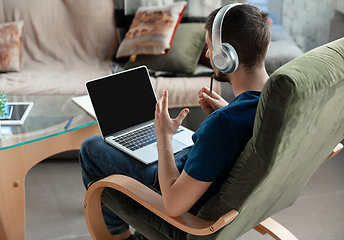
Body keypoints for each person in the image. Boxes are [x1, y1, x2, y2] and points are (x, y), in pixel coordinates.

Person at [79, 3, 270, 240]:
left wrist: (163, 138)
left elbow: (173, 204)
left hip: (188, 197)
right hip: (211, 178)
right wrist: (230, 109)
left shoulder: (223, 124)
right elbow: (245, 127)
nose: (209, 55)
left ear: (226, 57)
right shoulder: (276, 101)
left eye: (209, 47)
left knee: (91, 148)